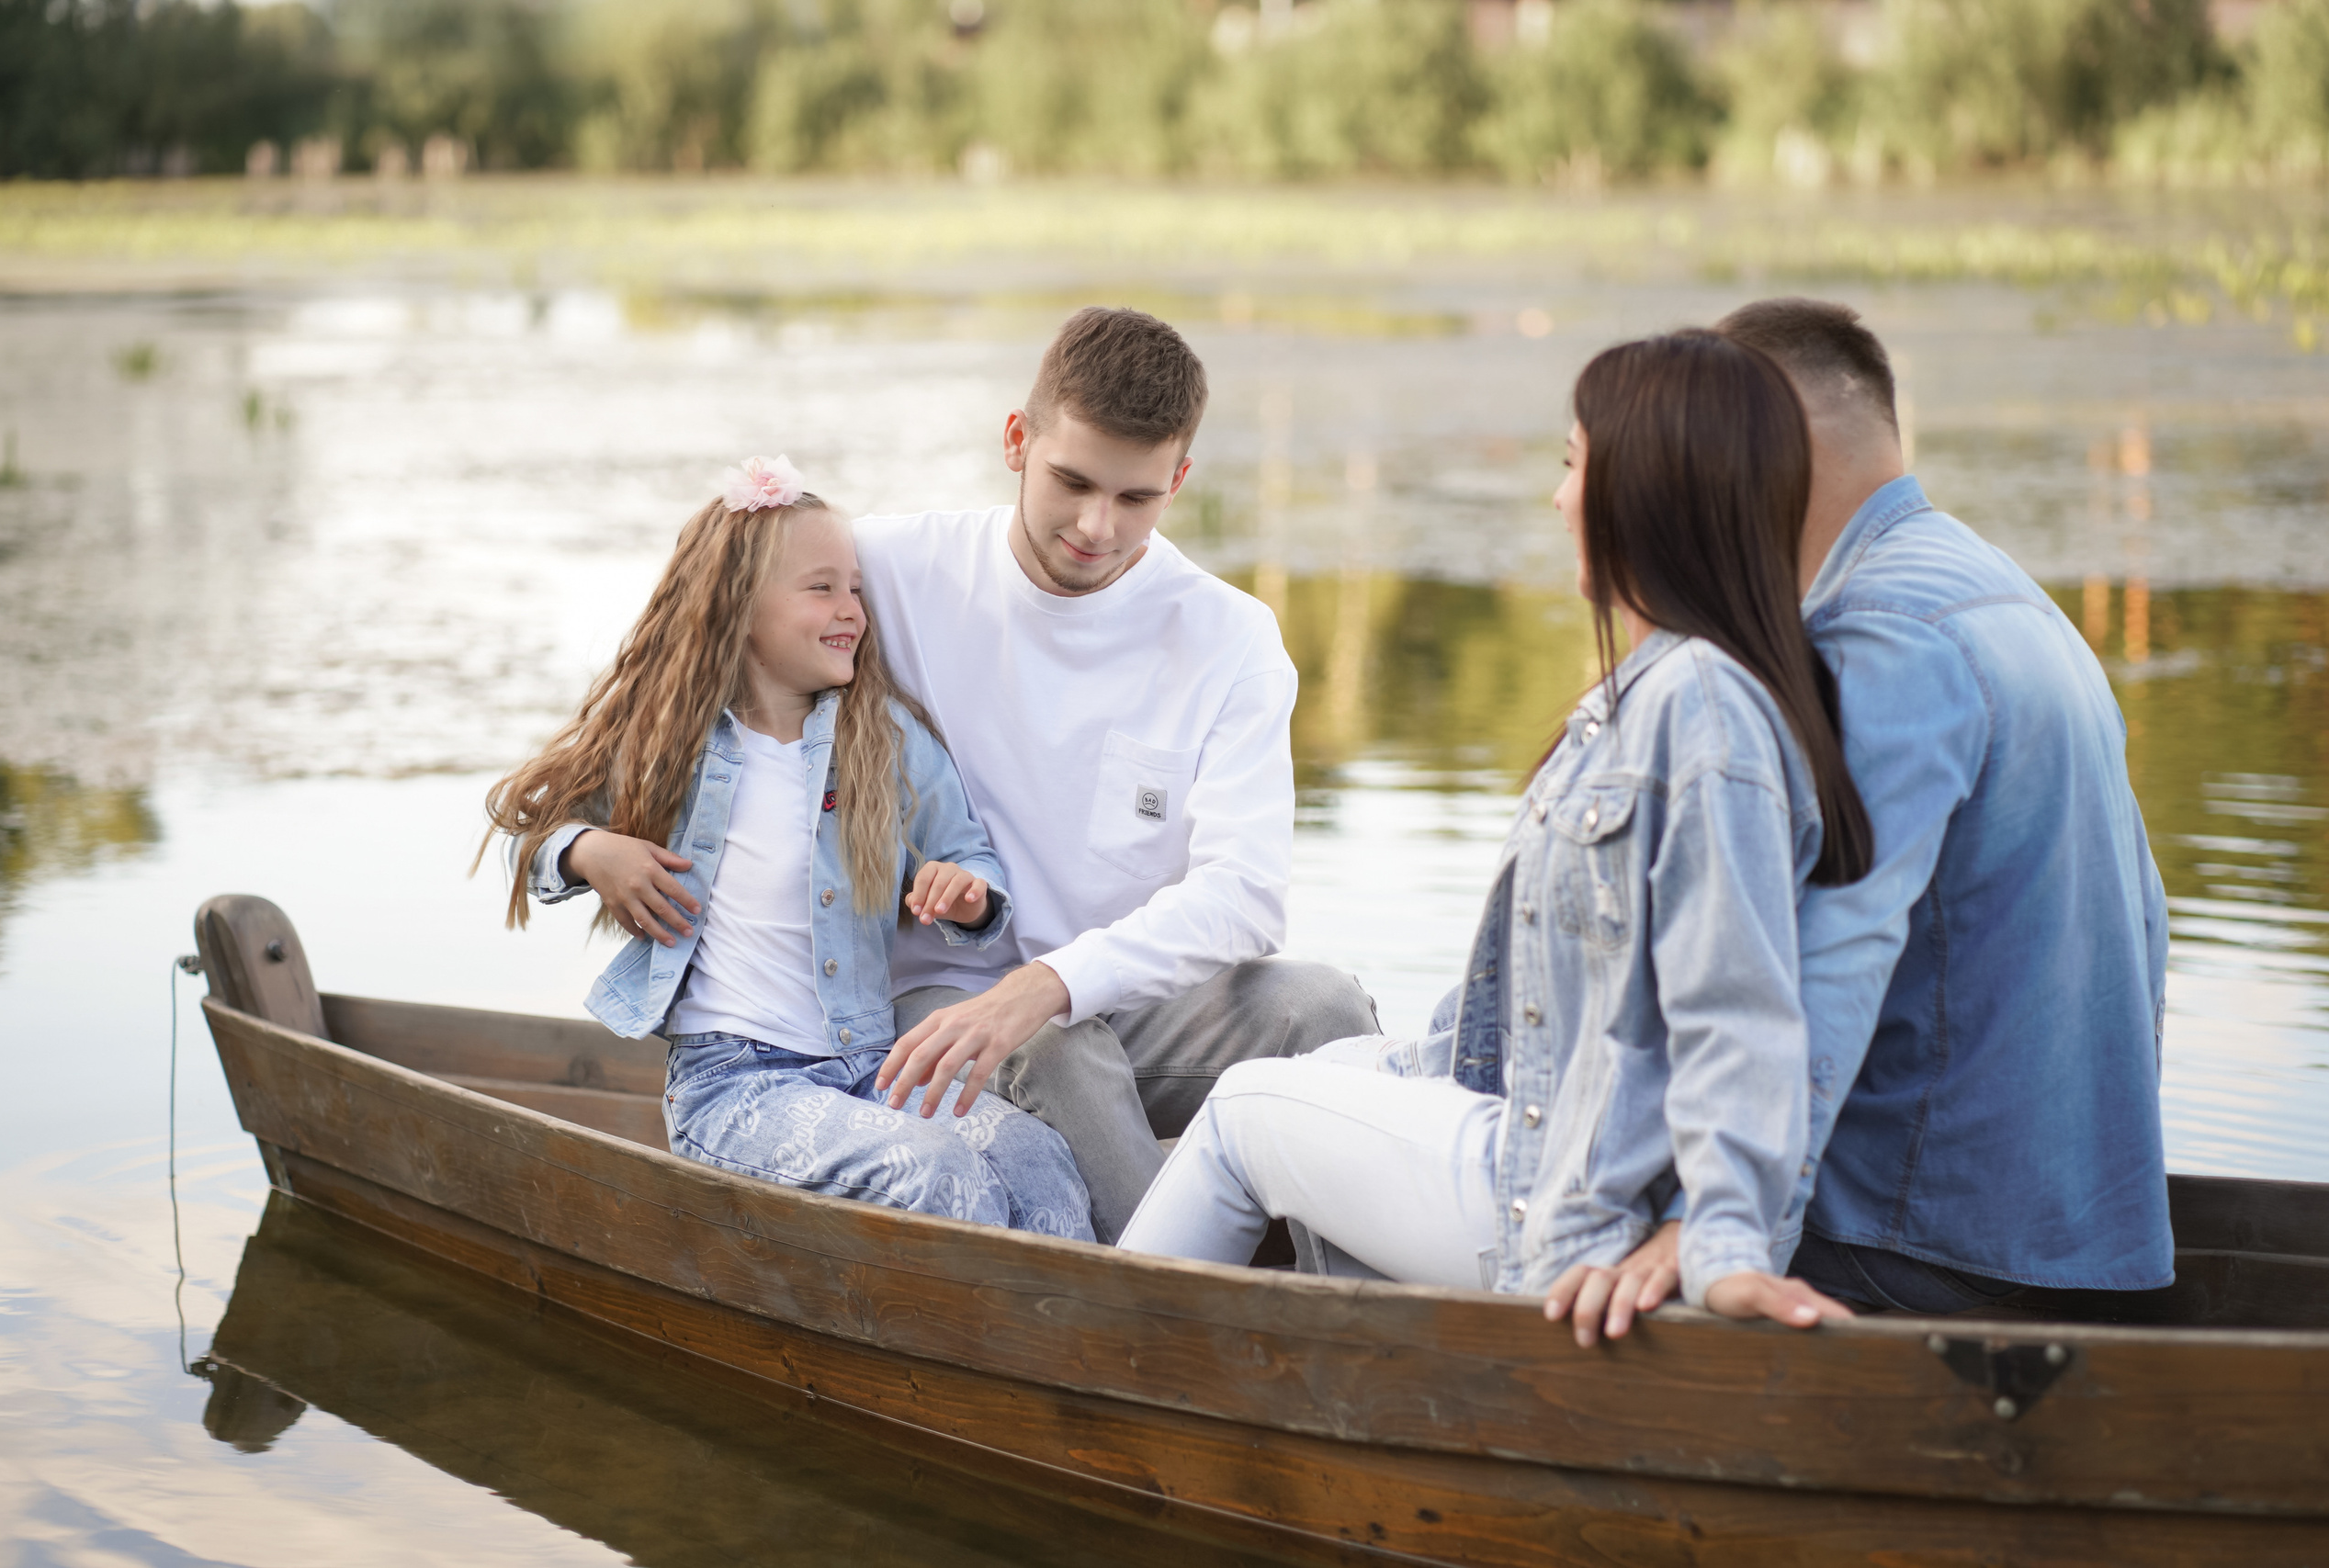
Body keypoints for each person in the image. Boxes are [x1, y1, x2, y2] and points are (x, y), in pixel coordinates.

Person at [1114, 331, 1865, 1334]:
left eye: (1571, 467)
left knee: (1246, 1108)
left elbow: (1741, 1005)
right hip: (1540, 1135)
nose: (1558, 502)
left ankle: (1099, 1357)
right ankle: (1353, 1379)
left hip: (1561, 1206)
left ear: (1645, 493)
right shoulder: (1656, 690)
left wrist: (1719, 1243)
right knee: (1325, 1075)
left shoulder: (1701, 712)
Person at [1552, 299, 2175, 1338]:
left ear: (1771, 449)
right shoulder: (2007, 596)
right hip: (2071, 1229)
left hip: (1912, 1244)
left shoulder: (1876, 642)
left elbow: (1823, 967)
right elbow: (2151, 924)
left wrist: (1715, 1232)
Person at [850, 306, 1379, 1243]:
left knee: (1326, 1008)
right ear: (1017, 440)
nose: (1098, 527)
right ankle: (1191, 1305)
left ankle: (1343, 1298)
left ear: (1178, 479)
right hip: (939, 998)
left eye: (1136, 499)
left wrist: (1054, 978)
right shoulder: (887, 570)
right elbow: (693, 650)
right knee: (1056, 1046)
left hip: (1111, 1003)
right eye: (1072, 482)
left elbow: (1246, 897)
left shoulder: (1229, 638)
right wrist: (583, 842)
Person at [482, 457, 1092, 1240]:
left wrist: (965, 892)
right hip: (736, 1085)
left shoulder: (885, 738)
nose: (853, 611)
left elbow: (969, 855)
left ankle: (1070, 1349)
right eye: (822, 588)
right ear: (741, 607)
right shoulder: (667, 738)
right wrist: (591, 852)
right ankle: (962, 1354)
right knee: (935, 1170)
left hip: (873, 1067)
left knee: (1036, 1156)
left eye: (857, 590)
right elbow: (526, 827)